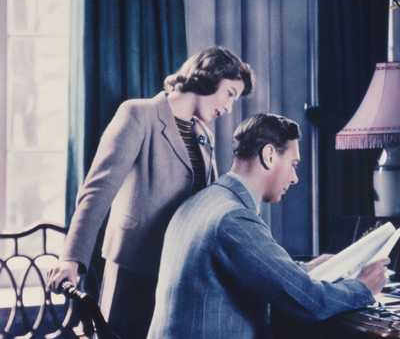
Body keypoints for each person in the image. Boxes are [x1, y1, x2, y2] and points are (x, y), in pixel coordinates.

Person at [48, 46, 255, 339]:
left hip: (179, 269)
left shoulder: (204, 135)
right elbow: (98, 189)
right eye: (230, 94)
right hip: (133, 263)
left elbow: (207, 203)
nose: (229, 107)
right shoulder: (138, 114)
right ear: (210, 78)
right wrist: (72, 257)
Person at [147, 113, 388, 339]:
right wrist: (363, 287)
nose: (295, 178)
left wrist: (305, 269)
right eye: (293, 164)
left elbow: (251, 270)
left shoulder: (202, 202)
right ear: (269, 155)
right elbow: (310, 302)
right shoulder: (235, 218)